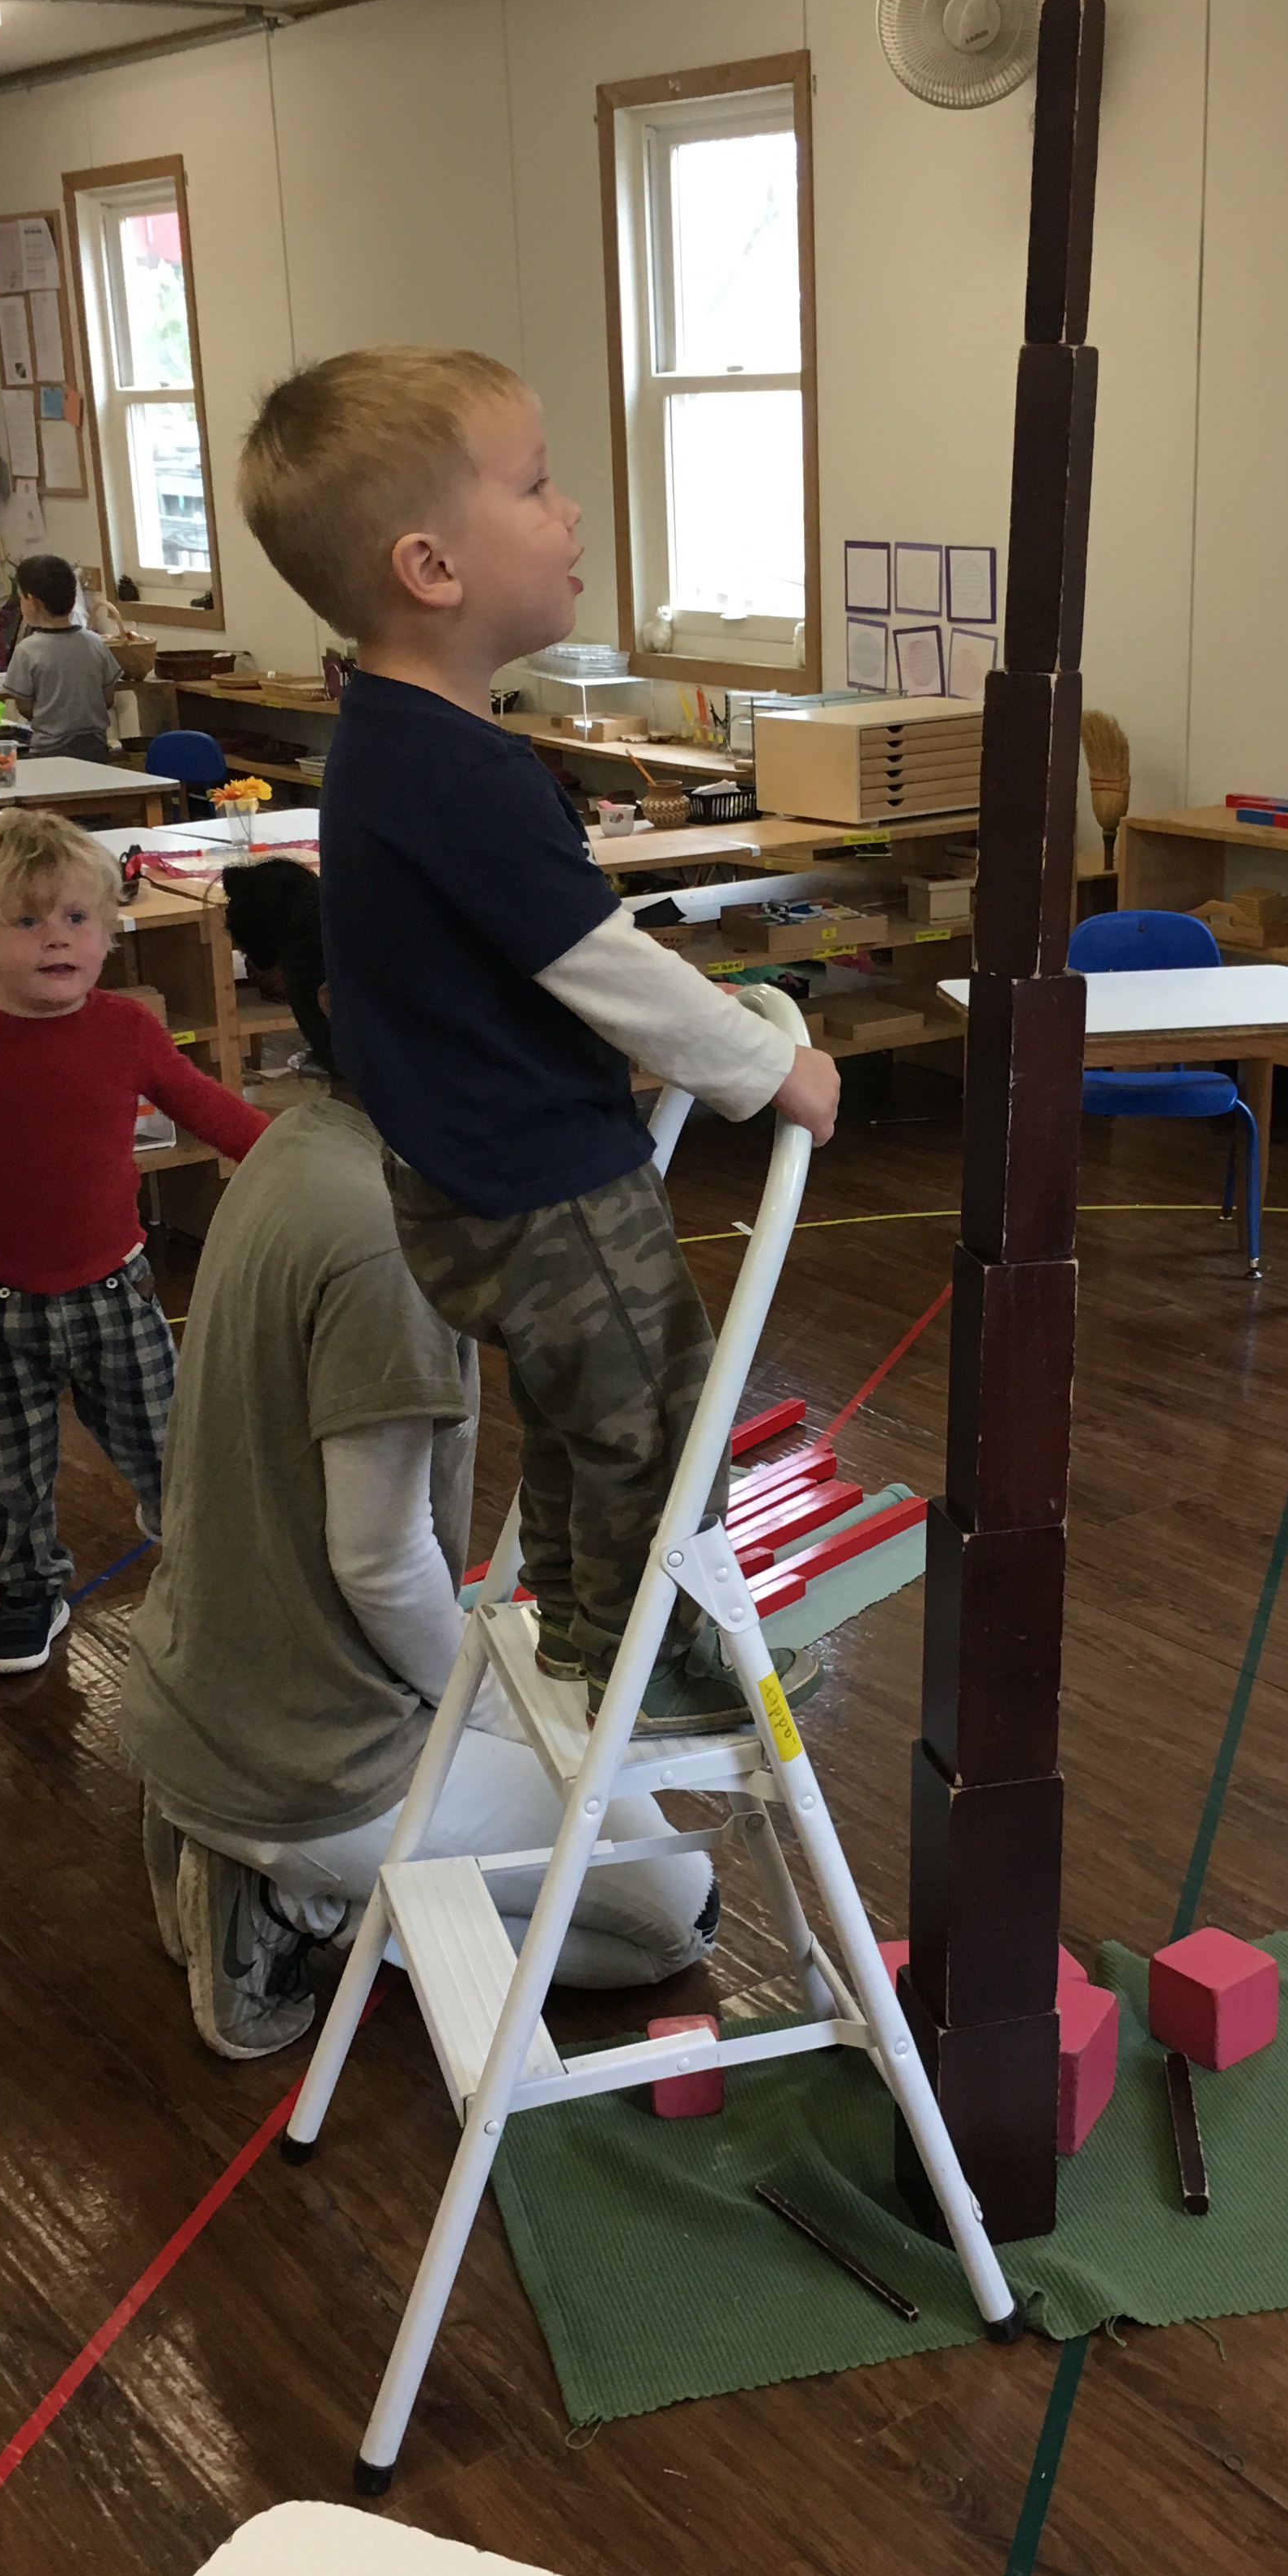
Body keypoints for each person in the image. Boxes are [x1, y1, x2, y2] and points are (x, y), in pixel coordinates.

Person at [235, 346, 840, 1737]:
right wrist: (770, 1070)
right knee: (661, 1413)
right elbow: (596, 961)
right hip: (541, 1184)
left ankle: (573, 1615)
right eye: (536, 486)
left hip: (463, 1182)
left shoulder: (388, 741)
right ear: (431, 567)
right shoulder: (458, 770)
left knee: (587, 1409)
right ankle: (650, 1665)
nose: (569, 515)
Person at [121, 859, 716, 2059]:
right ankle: (302, 1901)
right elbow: (381, 1563)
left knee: (559, 1749)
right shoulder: (382, 1233)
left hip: (211, 1699)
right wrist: (487, 1704)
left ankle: (267, 1851)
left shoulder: (304, 1145)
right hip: (318, 1760)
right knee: (678, 1914)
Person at [0, 807, 271, 1677]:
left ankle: (198, 1556)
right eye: (28, 920)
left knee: (167, 1447)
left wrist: (292, 1157)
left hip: (113, 1293)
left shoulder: (126, 1028)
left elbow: (204, 1104)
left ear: (107, 933)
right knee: (5, 1470)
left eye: (78, 917)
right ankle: (29, 1586)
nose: (58, 937)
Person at [2, 552, 121, 761]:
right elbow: (108, 699)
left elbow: (25, 707)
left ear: (32, 602)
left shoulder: (26, 650)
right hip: (95, 749)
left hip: (48, 751)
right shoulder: (96, 642)